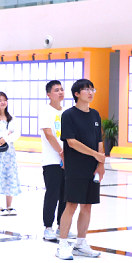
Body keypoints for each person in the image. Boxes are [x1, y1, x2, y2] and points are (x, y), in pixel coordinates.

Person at [56, 79, 104, 261]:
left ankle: (81, 244)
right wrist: (95, 154)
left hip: (92, 168)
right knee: (71, 204)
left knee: (87, 205)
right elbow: (71, 142)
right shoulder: (68, 115)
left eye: (92, 89)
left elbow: (99, 140)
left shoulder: (95, 115)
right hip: (75, 167)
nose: (91, 93)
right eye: (86, 90)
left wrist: (100, 163)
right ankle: (62, 244)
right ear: (77, 94)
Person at [39, 80, 75, 241]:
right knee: (52, 194)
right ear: (49, 94)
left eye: (61, 89)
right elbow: (49, 134)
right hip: (52, 160)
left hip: (68, 160)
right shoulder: (45, 111)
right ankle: (48, 227)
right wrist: (61, 152)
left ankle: (62, 227)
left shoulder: (67, 112)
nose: (60, 92)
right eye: (56, 90)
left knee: (65, 195)